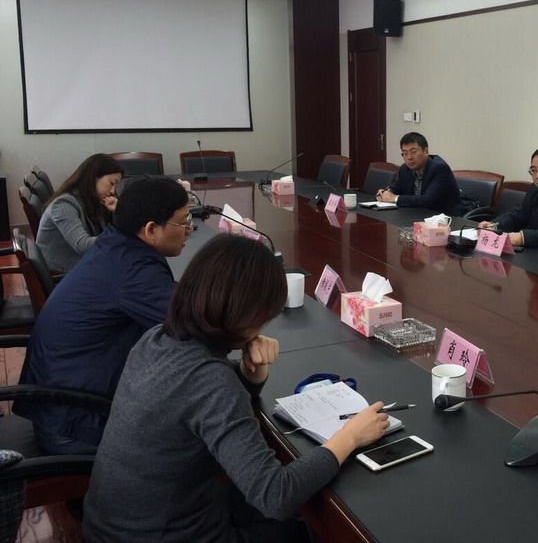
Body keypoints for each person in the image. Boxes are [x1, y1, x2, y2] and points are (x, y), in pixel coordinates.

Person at [82, 234, 390, 543]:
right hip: (161, 534)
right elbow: (275, 495)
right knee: (305, 527)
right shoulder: (211, 382)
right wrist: (349, 437)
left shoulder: (157, 339)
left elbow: (203, 404)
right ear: (246, 316)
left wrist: (249, 370)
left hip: (113, 524)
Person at [16, 176, 192, 453]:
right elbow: (196, 326)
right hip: (76, 425)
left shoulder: (116, 244)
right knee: (196, 438)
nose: (189, 230)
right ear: (150, 229)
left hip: (60, 405)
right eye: (183, 223)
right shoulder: (135, 270)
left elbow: (172, 301)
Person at [36, 153, 124, 272]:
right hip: (63, 271)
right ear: (94, 177)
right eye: (112, 183)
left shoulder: (92, 199)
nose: (113, 191)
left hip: (84, 262)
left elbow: (106, 230)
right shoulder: (63, 204)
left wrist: (118, 211)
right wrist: (122, 238)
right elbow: (82, 246)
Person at [376, 132, 461, 216]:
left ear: (426, 151)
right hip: (416, 215)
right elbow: (397, 187)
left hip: (444, 218)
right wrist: (386, 192)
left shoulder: (440, 169)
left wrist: (395, 198)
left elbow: (427, 200)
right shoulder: (405, 169)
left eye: (413, 152)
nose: (409, 157)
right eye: (405, 153)